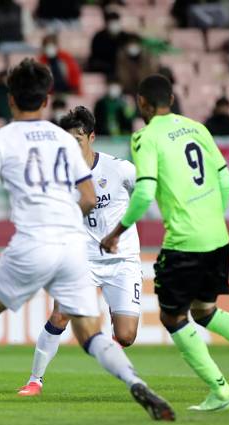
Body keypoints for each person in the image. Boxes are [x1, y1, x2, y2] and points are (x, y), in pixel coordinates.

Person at [0, 59, 173, 421]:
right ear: (46, 100)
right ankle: (133, 381)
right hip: (73, 249)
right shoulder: (63, 142)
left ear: (11, 100)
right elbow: (90, 197)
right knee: (89, 331)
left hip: (34, 242)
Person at [101, 74, 229, 412]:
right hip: (218, 236)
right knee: (204, 311)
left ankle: (222, 393)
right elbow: (226, 178)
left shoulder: (145, 137)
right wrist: (212, 216)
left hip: (185, 241)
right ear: (173, 101)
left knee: (173, 317)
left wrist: (117, 232)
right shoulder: (197, 128)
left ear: (142, 104)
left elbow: (145, 190)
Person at [18, 106, 142, 396]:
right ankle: (35, 380)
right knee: (60, 315)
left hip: (122, 260)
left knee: (126, 334)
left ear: (92, 137)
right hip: (81, 260)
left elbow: (150, 188)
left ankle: (109, 351)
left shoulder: (118, 168)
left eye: (78, 139)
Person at [87, 11, 132, 78]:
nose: (114, 24)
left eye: (116, 21)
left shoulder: (125, 36)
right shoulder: (98, 37)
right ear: (106, 23)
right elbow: (95, 55)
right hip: (105, 66)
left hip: (122, 65)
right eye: (111, 21)